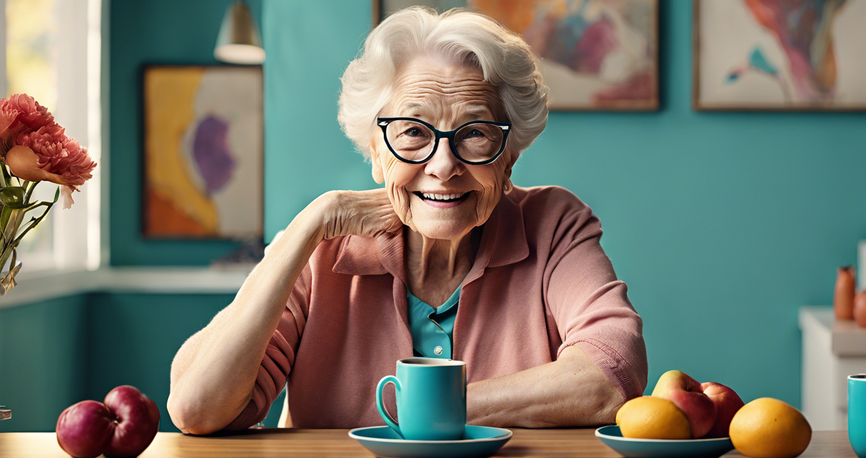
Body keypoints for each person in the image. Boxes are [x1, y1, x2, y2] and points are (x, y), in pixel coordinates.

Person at [166, 6, 646, 434]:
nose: (443, 165)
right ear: (375, 153)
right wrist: (306, 228)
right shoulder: (324, 248)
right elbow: (197, 409)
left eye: (475, 133)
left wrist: (432, 407)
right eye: (413, 132)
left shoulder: (554, 223)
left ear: (509, 157)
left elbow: (610, 375)